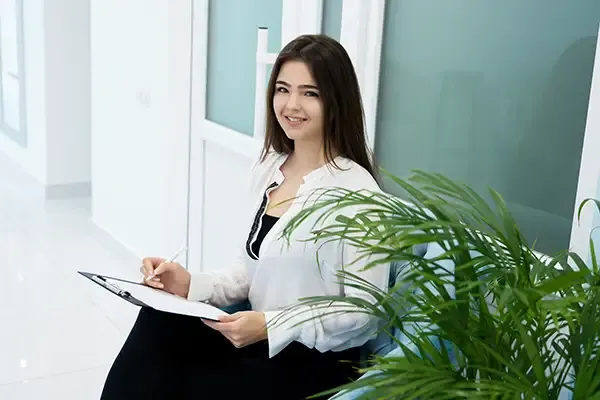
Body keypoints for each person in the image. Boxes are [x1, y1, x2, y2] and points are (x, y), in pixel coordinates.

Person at [101, 34, 389, 400]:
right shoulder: (272, 168)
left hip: (311, 364)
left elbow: (365, 312)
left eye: (309, 93)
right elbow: (249, 270)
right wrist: (189, 284)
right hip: (255, 339)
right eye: (282, 89)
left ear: (336, 101)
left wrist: (271, 325)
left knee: (179, 384)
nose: (291, 105)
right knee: (159, 320)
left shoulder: (357, 191)